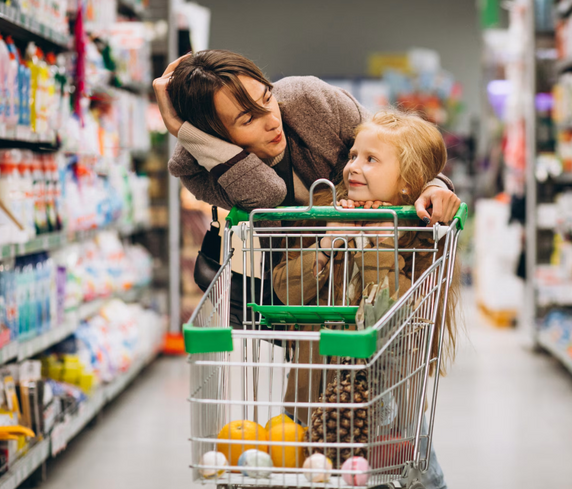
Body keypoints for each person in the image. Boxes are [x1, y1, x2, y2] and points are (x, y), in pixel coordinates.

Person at [272, 109, 459, 489]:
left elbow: (404, 317)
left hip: (389, 407)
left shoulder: (422, 237)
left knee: (410, 476)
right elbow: (283, 290)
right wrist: (327, 243)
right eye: (354, 155)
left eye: (371, 159)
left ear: (408, 184)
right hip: (314, 396)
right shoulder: (324, 207)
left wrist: (380, 246)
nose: (353, 167)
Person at [153, 50, 461, 223]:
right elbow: (266, 195)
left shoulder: (310, 100)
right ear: (212, 135)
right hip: (295, 287)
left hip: (382, 252)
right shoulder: (198, 168)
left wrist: (434, 187)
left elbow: (396, 145)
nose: (272, 120)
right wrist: (183, 131)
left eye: (266, 97)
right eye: (248, 119)